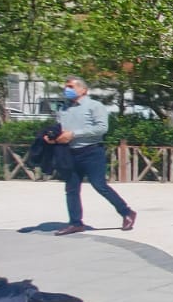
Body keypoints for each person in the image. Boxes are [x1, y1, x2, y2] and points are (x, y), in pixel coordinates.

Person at [50, 78, 136, 236]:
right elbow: (59, 127)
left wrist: (74, 134)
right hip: (70, 152)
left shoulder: (95, 106)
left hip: (91, 152)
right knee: (71, 189)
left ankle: (126, 212)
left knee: (99, 186)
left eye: (71, 86)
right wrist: (52, 136)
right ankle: (75, 223)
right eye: (66, 86)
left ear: (83, 90)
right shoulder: (64, 108)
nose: (66, 89)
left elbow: (102, 128)